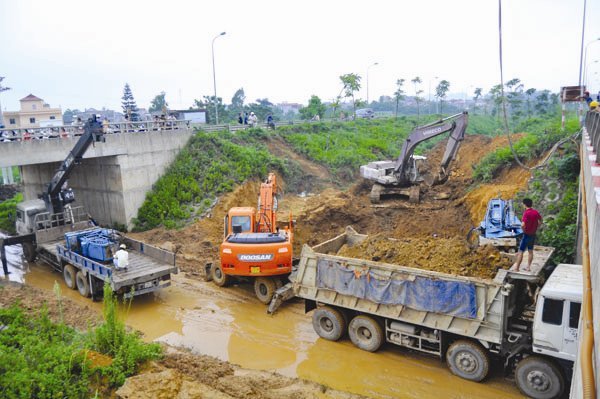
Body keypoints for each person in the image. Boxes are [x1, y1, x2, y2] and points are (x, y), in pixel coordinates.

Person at [511, 198, 543, 272]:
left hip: (526, 235)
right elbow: (541, 220)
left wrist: (523, 230)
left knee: (521, 251)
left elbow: (522, 225)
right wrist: (537, 226)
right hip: (533, 234)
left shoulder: (526, 213)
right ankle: (528, 267)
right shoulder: (535, 212)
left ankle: (517, 268)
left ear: (524, 204)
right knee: (530, 251)